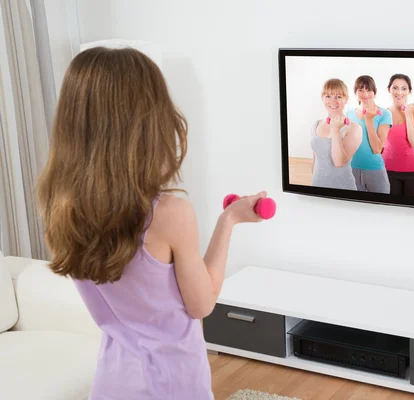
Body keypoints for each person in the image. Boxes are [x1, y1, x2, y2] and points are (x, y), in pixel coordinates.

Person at [36, 47, 267, 400]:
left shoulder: (60, 204)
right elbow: (201, 304)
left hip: (112, 381)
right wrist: (230, 220)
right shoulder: (169, 213)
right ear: (148, 121)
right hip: (172, 384)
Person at [311, 78, 362, 190]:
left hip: (342, 189)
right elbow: (316, 159)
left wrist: (335, 130)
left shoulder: (354, 128)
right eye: (328, 96)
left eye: (338, 97)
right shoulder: (316, 125)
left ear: (346, 99)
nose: (333, 101)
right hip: (317, 186)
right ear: (322, 98)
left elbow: (339, 162)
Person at [345, 75, 392, 193]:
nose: (365, 94)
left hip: (375, 169)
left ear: (374, 92)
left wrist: (369, 120)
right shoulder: (349, 114)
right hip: (352, 169)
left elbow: (377, 149)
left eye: (368, 90)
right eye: (361, 90)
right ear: (355, 92)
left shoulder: (384, 114)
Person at [382, 74, 414, 197]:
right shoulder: (383, 114)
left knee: (413, 213)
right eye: (395, 88)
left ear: (409, 91)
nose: (399, 92)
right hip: (387, 171)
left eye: (404, 88)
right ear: (389, 89)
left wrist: (408, 115)